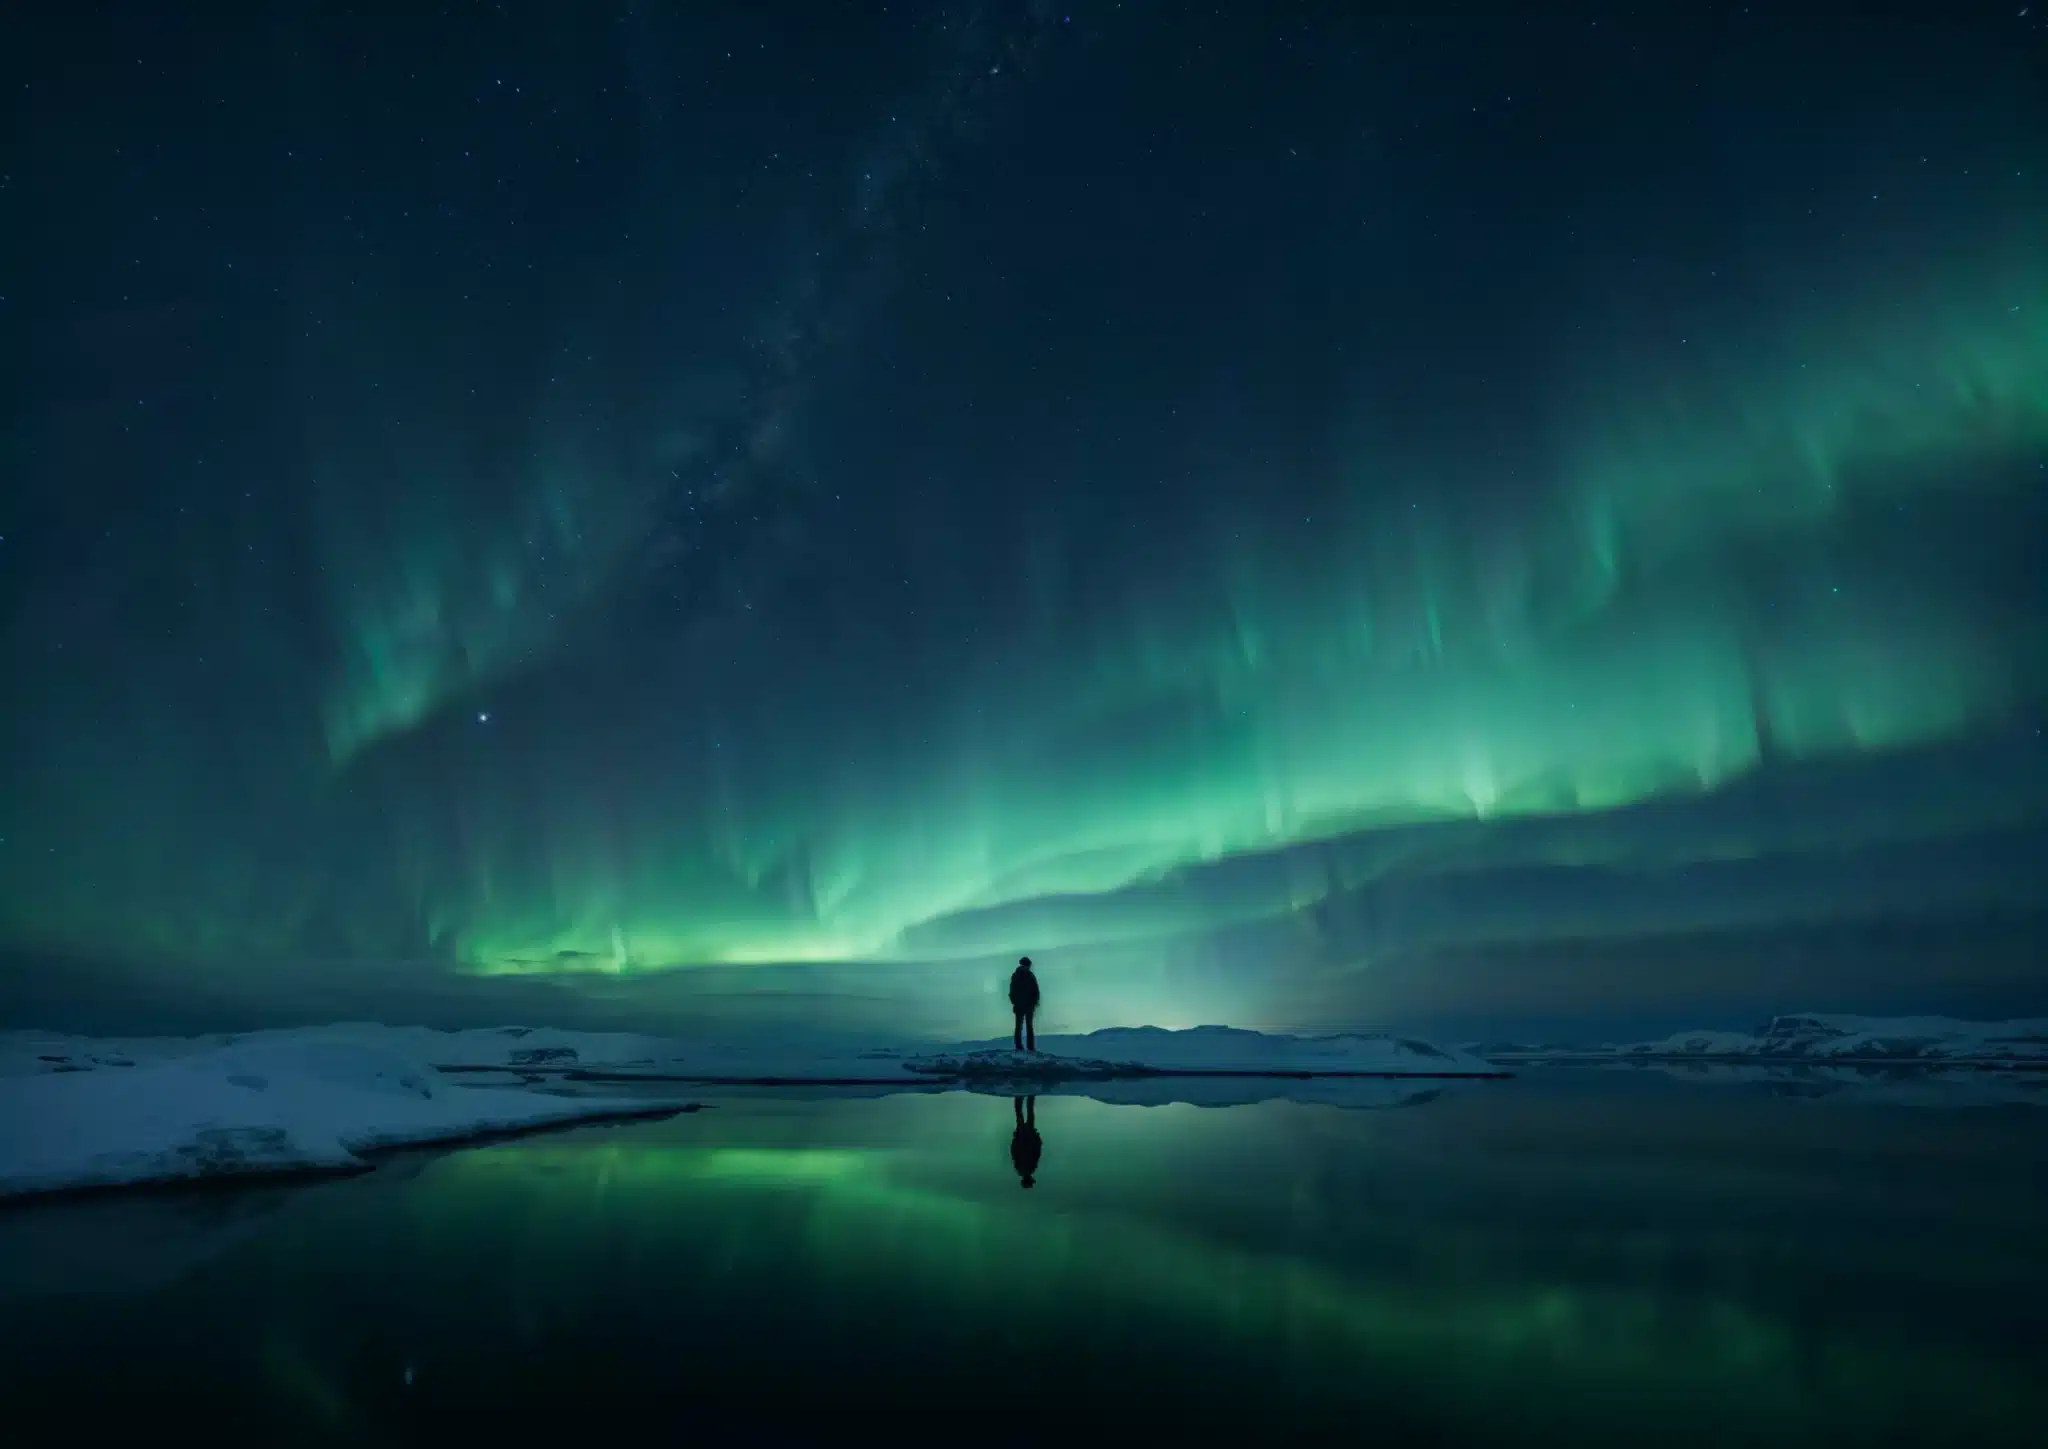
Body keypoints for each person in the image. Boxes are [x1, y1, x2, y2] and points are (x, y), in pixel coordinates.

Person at [1008, 955, 1040, 1052]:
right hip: (1020, 1006)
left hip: (1028, 1006)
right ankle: (1019, 1047)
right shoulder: (1017, 976)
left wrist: (1034, 1002)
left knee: (1028, 1026)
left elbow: (1036, 990)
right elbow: (1012, 992)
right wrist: (1016, 1003)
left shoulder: (1030, 976)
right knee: (1019, 1026)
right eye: (1027, 966)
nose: (1028, 967)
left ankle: (1030, 1047)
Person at [1010, 1094, 1042, 1189]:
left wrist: (1037, 1140)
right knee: (1020, 1115)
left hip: (1027, 1139)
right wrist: (1015, 1140)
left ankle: (1029, 1095)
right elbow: (1014, 1153)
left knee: (1029, 1114)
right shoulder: (1019, 1169)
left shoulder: (1030, 1169)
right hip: (1022, 1139)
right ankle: (1019, 1097)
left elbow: (1036, 1153)